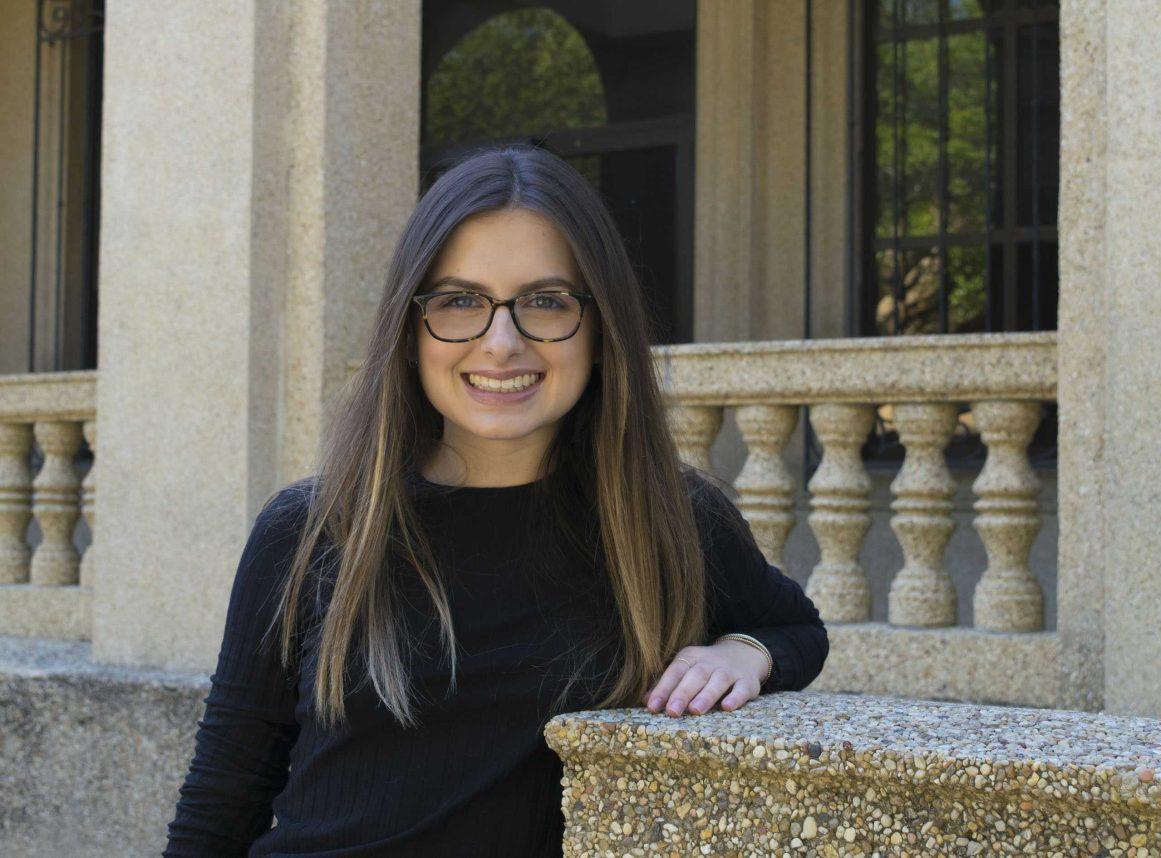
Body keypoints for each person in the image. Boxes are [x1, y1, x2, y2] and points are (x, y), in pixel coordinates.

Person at [163, 143, 828, 857]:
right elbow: (223, 796)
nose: (501, 342)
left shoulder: (666, 519)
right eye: (459, 301)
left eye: (546, 301)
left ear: (601, 329)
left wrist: (744, 652)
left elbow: (794, 629)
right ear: (411, 330)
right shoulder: (310, 530)